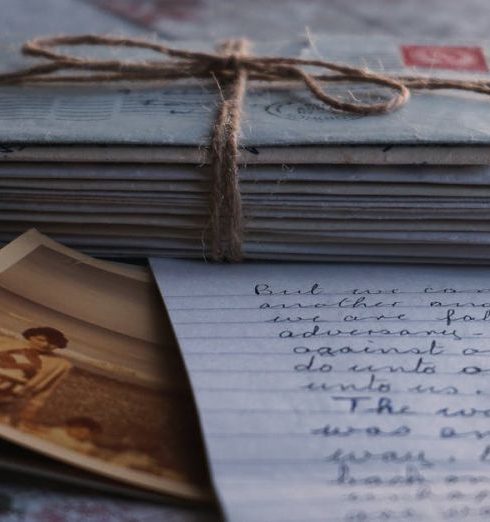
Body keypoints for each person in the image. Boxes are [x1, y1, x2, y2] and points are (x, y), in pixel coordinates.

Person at [0, 327, 71, 424]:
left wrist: (33, 408)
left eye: (52, 343)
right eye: (40, 340)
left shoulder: (60, 364)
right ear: (30, 337)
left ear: (59, 345)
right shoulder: (5, 343)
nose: (45, 344)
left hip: (12, 394)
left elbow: (48, 390)